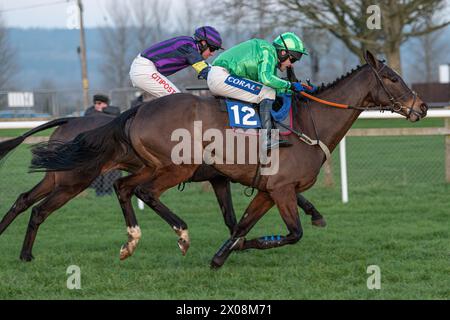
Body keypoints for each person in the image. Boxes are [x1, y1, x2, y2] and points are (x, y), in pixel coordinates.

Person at [207, 32, 316, 149]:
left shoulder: (269, 57)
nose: (291, 65)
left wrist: (296, 89)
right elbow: (266, 79)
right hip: (221, 76)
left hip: (221, 76)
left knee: (268, 91)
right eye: (293, 60)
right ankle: (267, 139)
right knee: (267, 92)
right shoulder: (267, 52)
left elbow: (274, 86)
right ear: (283, 52)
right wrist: (290, 85)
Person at [129, 26, 223, 98]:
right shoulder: (188, 48)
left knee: (176, 101)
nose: (212, 54)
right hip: (144, 70)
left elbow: (207, 67)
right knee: (178, 101)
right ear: (203, 43)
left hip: (144, 68)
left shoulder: (190, 45)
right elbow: (204, 70)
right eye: (212, 49)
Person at [84, 93, 121, 196]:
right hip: (97, 145)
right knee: (98, 169)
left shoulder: (113, 111)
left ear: (105, 104)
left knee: (112, 170)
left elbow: (117, 112)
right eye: (95, 103)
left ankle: (109, 190)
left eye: (99, 103)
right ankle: (99, 190)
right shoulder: (91, 112)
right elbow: (88, 114)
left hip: (111, 144)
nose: (96, 105)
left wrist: (104, 110)